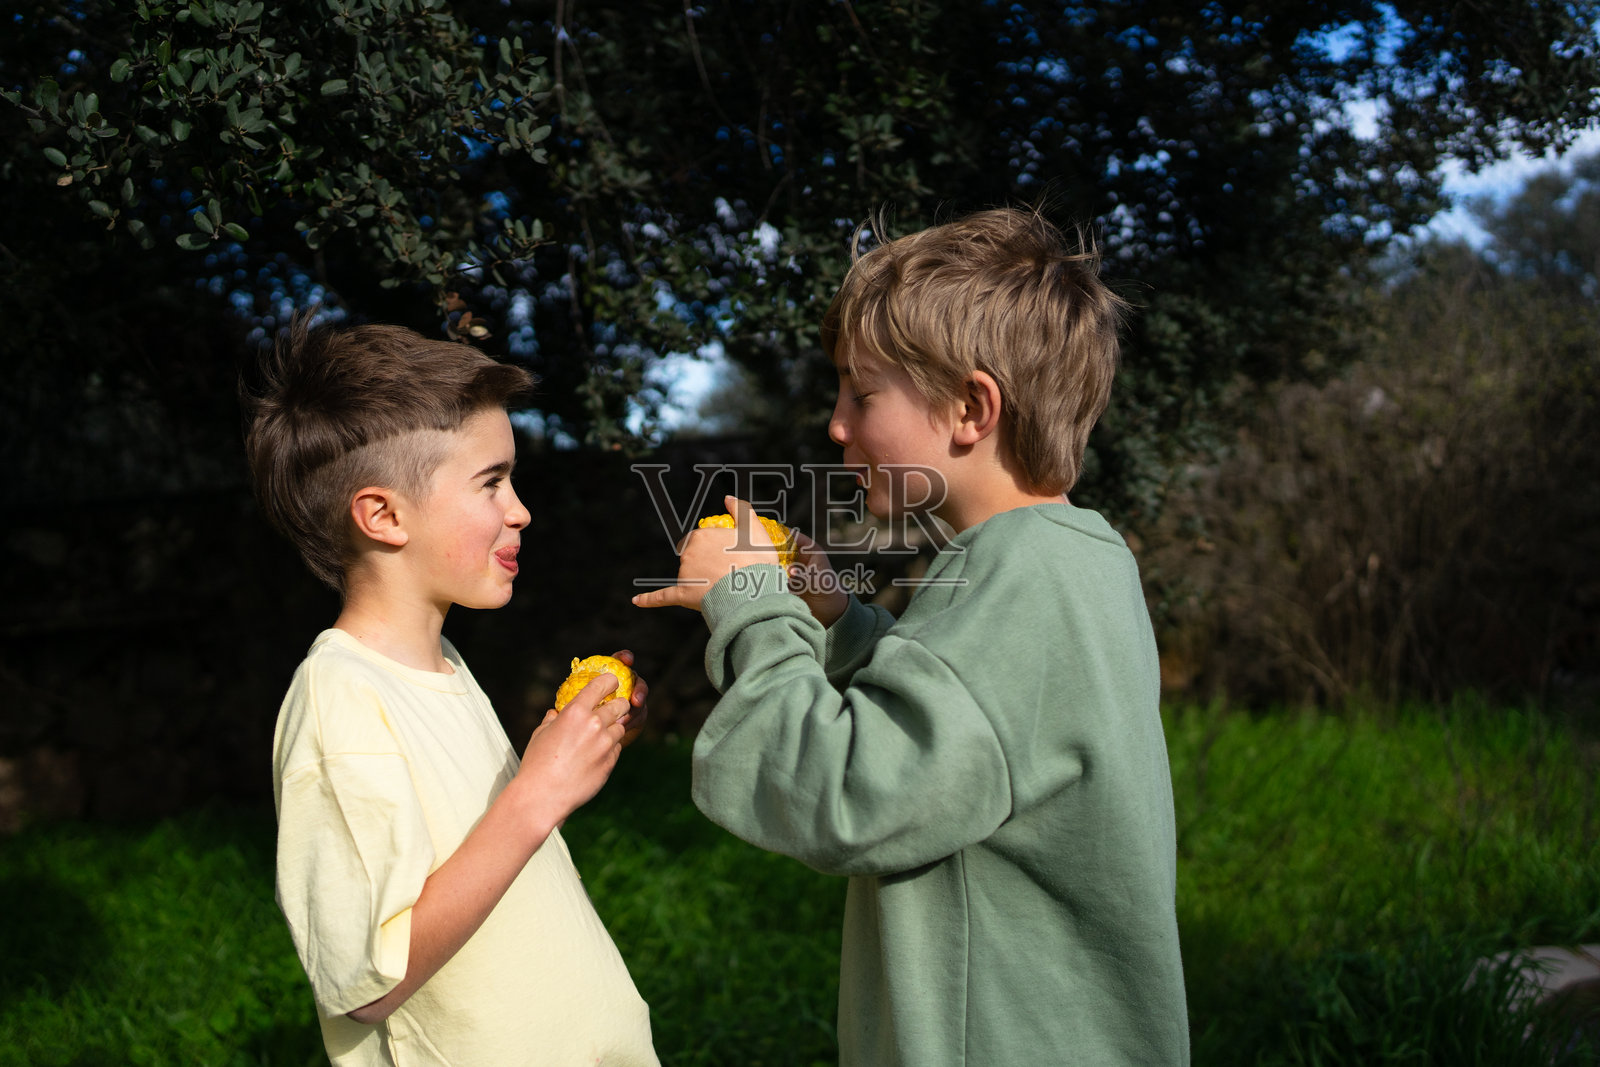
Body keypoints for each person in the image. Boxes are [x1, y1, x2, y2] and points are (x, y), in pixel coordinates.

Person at [634, 207, 1189, 1065]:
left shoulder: (1023, 572)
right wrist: (838, 620)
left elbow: (850, 796)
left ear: (971, 407)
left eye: (863, 392)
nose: (837, 424)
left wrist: (748, 602)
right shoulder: (1076, 555)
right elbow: (970, 731)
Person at [245, 319, 658, 1066]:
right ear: (384, 515)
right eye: (492, 481)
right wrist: (538, 795)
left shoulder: (444, 665)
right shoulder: (339, 699)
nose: (521, 509)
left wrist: (566, 759)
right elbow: (365, 980)